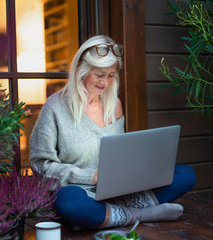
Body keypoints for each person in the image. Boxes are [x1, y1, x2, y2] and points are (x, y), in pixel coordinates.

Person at [29, 35, 196, 229]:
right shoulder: (55, 107)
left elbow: (119, 153)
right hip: (79, 190)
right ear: (81, 70)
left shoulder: (114, 104)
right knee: (68, 201)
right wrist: (90, 177)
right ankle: (141, 213)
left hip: (118, 190)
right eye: (100, 75)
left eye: (111, 75)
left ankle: (103, 215)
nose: (105, 83)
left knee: (186, 174)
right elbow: (40, 165)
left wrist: (137, 171)